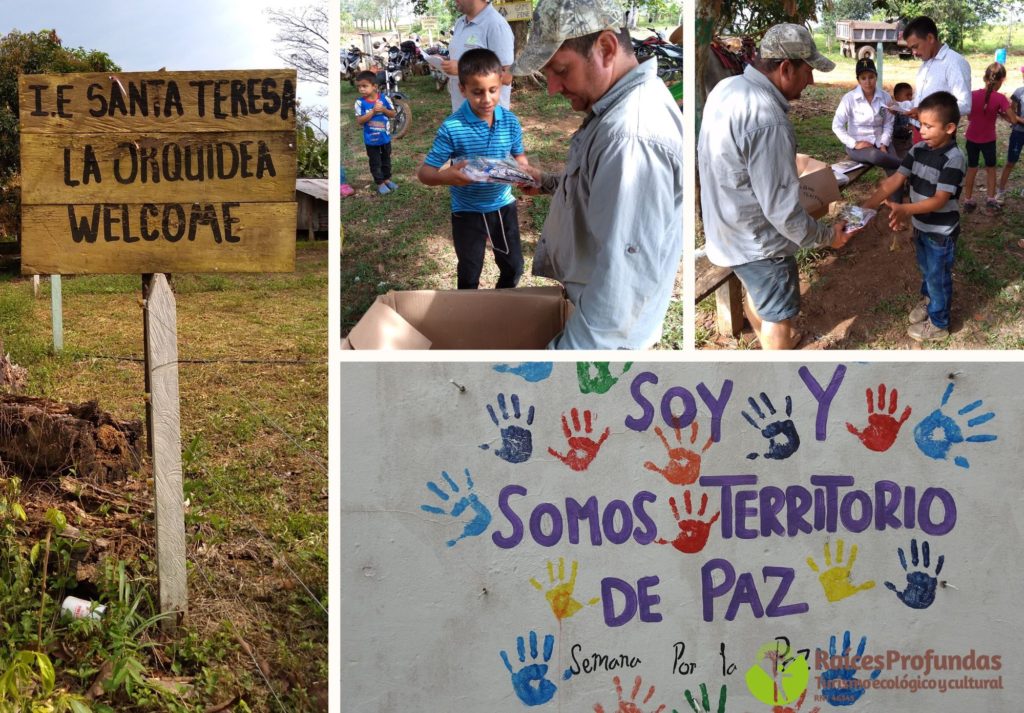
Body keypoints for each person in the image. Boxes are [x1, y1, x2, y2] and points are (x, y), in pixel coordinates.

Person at [511, 0, 684, 349]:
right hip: (593, 315)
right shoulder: (618, 108)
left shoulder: (631, 137)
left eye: (560, 70)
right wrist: (545, 181)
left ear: (605, 48)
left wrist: (557, 370)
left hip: (603, 342)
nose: (553, 89)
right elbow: (599, 190)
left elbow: (619, 298)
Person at [699, 23, 854, 350]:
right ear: (786, 68)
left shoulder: (728, 89)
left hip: (726, 231)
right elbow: (783, 213)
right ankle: (780, 369)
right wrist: (829, 237)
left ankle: (773, 340)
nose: (811, 81)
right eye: (808, 71)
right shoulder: (767, 118)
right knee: (778, 316)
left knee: (761, 297)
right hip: (759, 244)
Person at [417, 49, 529, 290]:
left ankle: (501, 307)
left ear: (501, 84)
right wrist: (445, 177)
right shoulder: (452, 128)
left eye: (493, 90)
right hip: (466, 211)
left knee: (513, 266)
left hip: (502, 206)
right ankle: (468, 314)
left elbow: (519, 155)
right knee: (469, 272)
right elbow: (425, 174)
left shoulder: (510, 122)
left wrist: (524, 170)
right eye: (477, 92)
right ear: (462, 89)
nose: (487, 99)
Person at [861, 91, 965, 343]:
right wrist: (866, 208)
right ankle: (929, 301)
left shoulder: (954, 159)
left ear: (949, 128)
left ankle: (939, 324)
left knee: (938, 276)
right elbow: (893, 181)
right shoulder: (918, 149)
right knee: (927, 269)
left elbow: (940, 200)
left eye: (929, 126)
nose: (923, 131)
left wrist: (905, 209)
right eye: (921, 124)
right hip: (921, 226)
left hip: (941, 232)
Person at [902, 16, 971, 143]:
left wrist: (925, 112)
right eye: (911, 48)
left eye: (915, 46)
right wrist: (901, 107)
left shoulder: (954, 63)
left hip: (939, 138)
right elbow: (919, 99)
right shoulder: (925, 64)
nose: (914, 52)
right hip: (919, 130)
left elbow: (965, 105)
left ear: (930, 38)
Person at [441, 0, 515, 112]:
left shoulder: (496, 25)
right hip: (461, 111)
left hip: (488, 118)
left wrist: (462, 69)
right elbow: (460, 58)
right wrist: (443, 62)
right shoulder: (459, 23)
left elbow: (507, 77)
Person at [963, 63, 1018, 212]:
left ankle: (968, 200)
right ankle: (990, 199)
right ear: (1001, 80)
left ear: (985, 78)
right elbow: (1013, 120)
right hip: (988, 139)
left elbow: (969, 116)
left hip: (972, 138)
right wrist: (1001, 113)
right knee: (991, 169)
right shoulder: (1000, 98)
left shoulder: (972, 94)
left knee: (972, 169)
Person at [832, 58, 900, 173]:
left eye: (871, 77)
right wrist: (854, 143)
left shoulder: (885, 97)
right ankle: (908, 165)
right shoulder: (849, 99)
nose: (868, 82)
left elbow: (888, 123)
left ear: (876, 77)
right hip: (858, 146)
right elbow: (836, 125)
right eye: (863, 78)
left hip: (881, 141)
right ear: (858, 80)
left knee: (895, 173)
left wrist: (884, 144)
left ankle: (902, 179)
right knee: (876, 156)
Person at [353, 70, 398, 195]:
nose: (361, 89)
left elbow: (393, 114)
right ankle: (380, 182)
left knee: (386, 159)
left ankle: (387, 179)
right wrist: (372, 111)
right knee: (375, 161)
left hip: (385, 138)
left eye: (364, 86)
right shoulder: (360, 103)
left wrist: (383, 109)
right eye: (359, 87)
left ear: (375, 87)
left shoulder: (385, 99)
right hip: (371, 140)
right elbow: (360, 121)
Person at [997, 66, 1024, 210]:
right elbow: (1012, 113)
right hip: (1019, 132)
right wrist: (1020, 120)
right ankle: (1000, 191)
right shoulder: (1019, 92)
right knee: (1010, 162)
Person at [889, 82, 915, 160]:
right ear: (897, 97)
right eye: (907, 95)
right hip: (897, 141)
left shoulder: (909, 109)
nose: (910, 98)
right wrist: (904, 127)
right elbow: (893, 127)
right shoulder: (895, 110)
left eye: (911, 95)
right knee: (900, 160)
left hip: (908, 140)